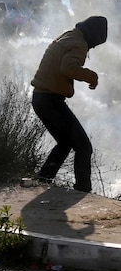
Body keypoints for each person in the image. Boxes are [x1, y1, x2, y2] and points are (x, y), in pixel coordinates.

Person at [30, 15, 107, 193]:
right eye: (95, 44)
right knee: (83, 146)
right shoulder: (79, 44)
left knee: (65, 142)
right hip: (50, 100)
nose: (92, 47)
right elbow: (68, 67)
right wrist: (91, 76)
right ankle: (83, 191)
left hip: (40, 98)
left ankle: (43, 178)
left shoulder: (69, 35)